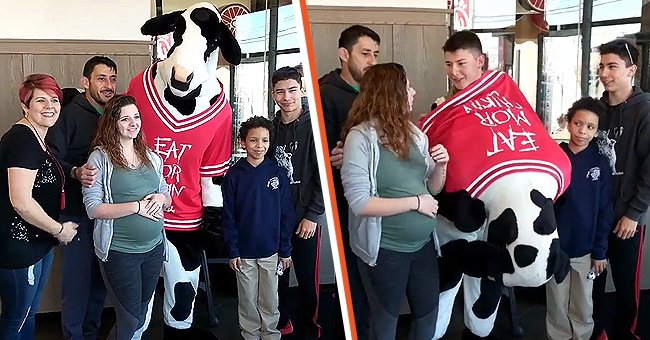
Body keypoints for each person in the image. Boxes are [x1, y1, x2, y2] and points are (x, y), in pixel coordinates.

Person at [340, 62, 448, 340]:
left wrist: (442, 166)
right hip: (385, 251)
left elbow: (432, 190)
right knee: (384, 327)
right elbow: (360, 203)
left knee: (427, 322)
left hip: (423, 247)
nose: (413, 92)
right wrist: (415, 203)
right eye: (407, 87)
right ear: (392, 92)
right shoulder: (360, 138)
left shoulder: (415, 134)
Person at [81, 95, 170, 340]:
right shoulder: (100, 158)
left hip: (153, 249)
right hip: (120, 253)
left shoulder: (151, 156)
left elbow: (165, 193)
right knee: (129, 319)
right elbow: (93, 208)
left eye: (136, 117)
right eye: (125, 119)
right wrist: (136, 207)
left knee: (140, 315)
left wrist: (162, 200)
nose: (133, 123)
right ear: (113, 123)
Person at [0, 74, 79, 339]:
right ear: (25, 105)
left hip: (37, 243)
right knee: (16, 318)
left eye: (54, 100)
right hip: (20, 247)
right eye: (41, 100)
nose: (50, 106)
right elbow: (21, 202)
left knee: (27, 313)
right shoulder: (22, 139)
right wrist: (59, 230)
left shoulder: (36, 136)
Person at [46, 56, 117, 340]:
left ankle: (91, 333)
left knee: (100, 280)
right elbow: (50, 157)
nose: (108, 85)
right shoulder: (68, 114)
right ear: (85, 82)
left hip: (107, 213)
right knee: (76, 283)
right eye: (101, 79)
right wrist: (75, 172)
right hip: (75, 213)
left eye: (112, 79)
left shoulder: (116, 113)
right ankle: (74, 336)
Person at [318, 24, 380, 340]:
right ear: (345, 54)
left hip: (374, 199)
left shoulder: (373, 93)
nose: (371, 60)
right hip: (342, 200)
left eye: (375, 54)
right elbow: (325, 153)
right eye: (364, 53)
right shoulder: (326, 93)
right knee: (352, 275)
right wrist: (335, 156)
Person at [591, 39, 650, 340]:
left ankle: (626, 334)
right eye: (601, 66)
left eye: (612, 66)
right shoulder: (595, 110)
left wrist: (634, 212)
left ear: (631, 70)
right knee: (593, 284)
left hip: (626, 218)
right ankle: (597, 332)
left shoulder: (646, 110)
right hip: (596, 218)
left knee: (626, 285)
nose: (604, 73)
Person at [546, 97, 612, 340]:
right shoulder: (554, 158)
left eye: (590, 127)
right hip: (557, 248)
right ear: (569, 123)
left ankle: (582, 337)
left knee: (584, 305)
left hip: (586, 251)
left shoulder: (600, 164)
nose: (583, 131)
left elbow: (605, 211)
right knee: (556, 302)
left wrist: (600, 251)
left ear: (596, 131)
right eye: (578, 124)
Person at [222, 116, 294, 340]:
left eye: (264, 141)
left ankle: (271, 334)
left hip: (271, 251)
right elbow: (229, 217)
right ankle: (250, 334)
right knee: (247, 299)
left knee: (270, 299)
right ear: (243, 142)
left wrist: (285, 250)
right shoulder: (233, 176)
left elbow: (286, 214)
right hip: (244, 253)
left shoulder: (277, 173)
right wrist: (232, 250)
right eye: (253, 141)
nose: (259, 146)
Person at [270, 66, 325, 339]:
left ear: (301, 90)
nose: (287, 97)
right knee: (277, 276)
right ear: (273, 95)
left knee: (307, 281)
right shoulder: (270, 128)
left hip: (306, 219)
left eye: (292, 90)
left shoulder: (314, 127)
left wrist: (313, 215)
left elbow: (323, 175)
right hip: (277, 220)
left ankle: (310, 329)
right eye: (280, 91)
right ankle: (282, 322)